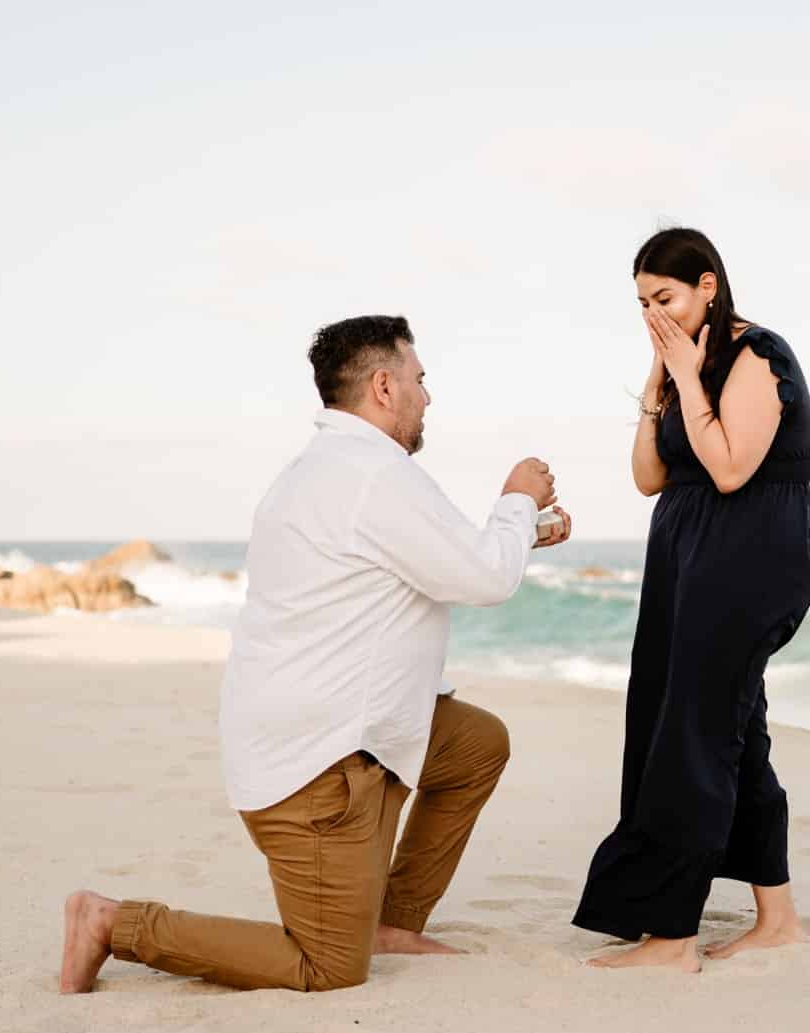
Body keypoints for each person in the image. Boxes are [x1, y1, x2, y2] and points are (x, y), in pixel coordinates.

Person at [59, 314, 572, 993]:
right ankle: (110, 922)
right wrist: (515, 498)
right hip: (318, 767)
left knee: (475, 744)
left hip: (328, 730)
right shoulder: (373, 477)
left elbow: (431, 561)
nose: (428, 396)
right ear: (385, 387)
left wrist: (521, 531)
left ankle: (391, 918)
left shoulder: (332, 471)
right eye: (420, 380)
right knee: (328, 966)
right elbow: (483, 578)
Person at [572, 228, 810, 972]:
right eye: (644, 302)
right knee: (719, 730)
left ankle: (673, 937)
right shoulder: (682, 367)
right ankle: (777, 919)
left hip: (748, 558)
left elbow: (733, 469)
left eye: (667, 297)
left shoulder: (756, 356)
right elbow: (650, 478)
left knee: (695, 735)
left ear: (708, 286)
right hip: (688, 557)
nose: (655, 313)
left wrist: (685, 376)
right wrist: (657, 389)